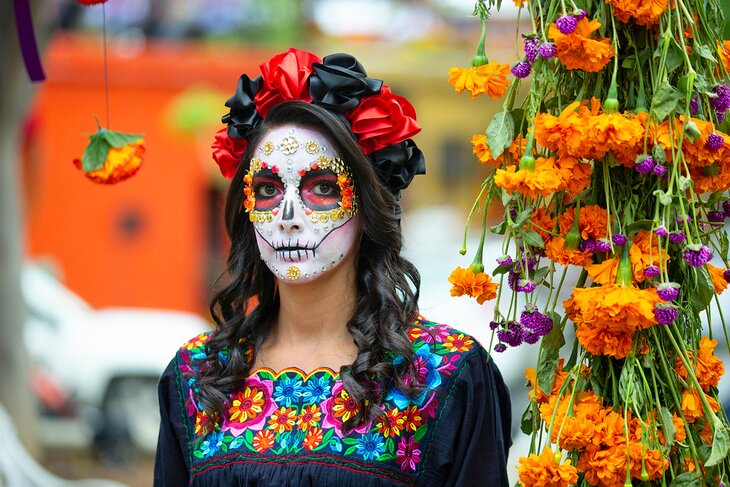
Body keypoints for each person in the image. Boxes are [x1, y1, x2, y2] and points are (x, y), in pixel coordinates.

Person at [154, 48, 511, 487]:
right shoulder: (198, 376)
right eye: (267, 189)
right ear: (247, 208)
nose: (287, 214)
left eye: (321, 186)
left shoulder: (444, 375)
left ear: (367, 204)